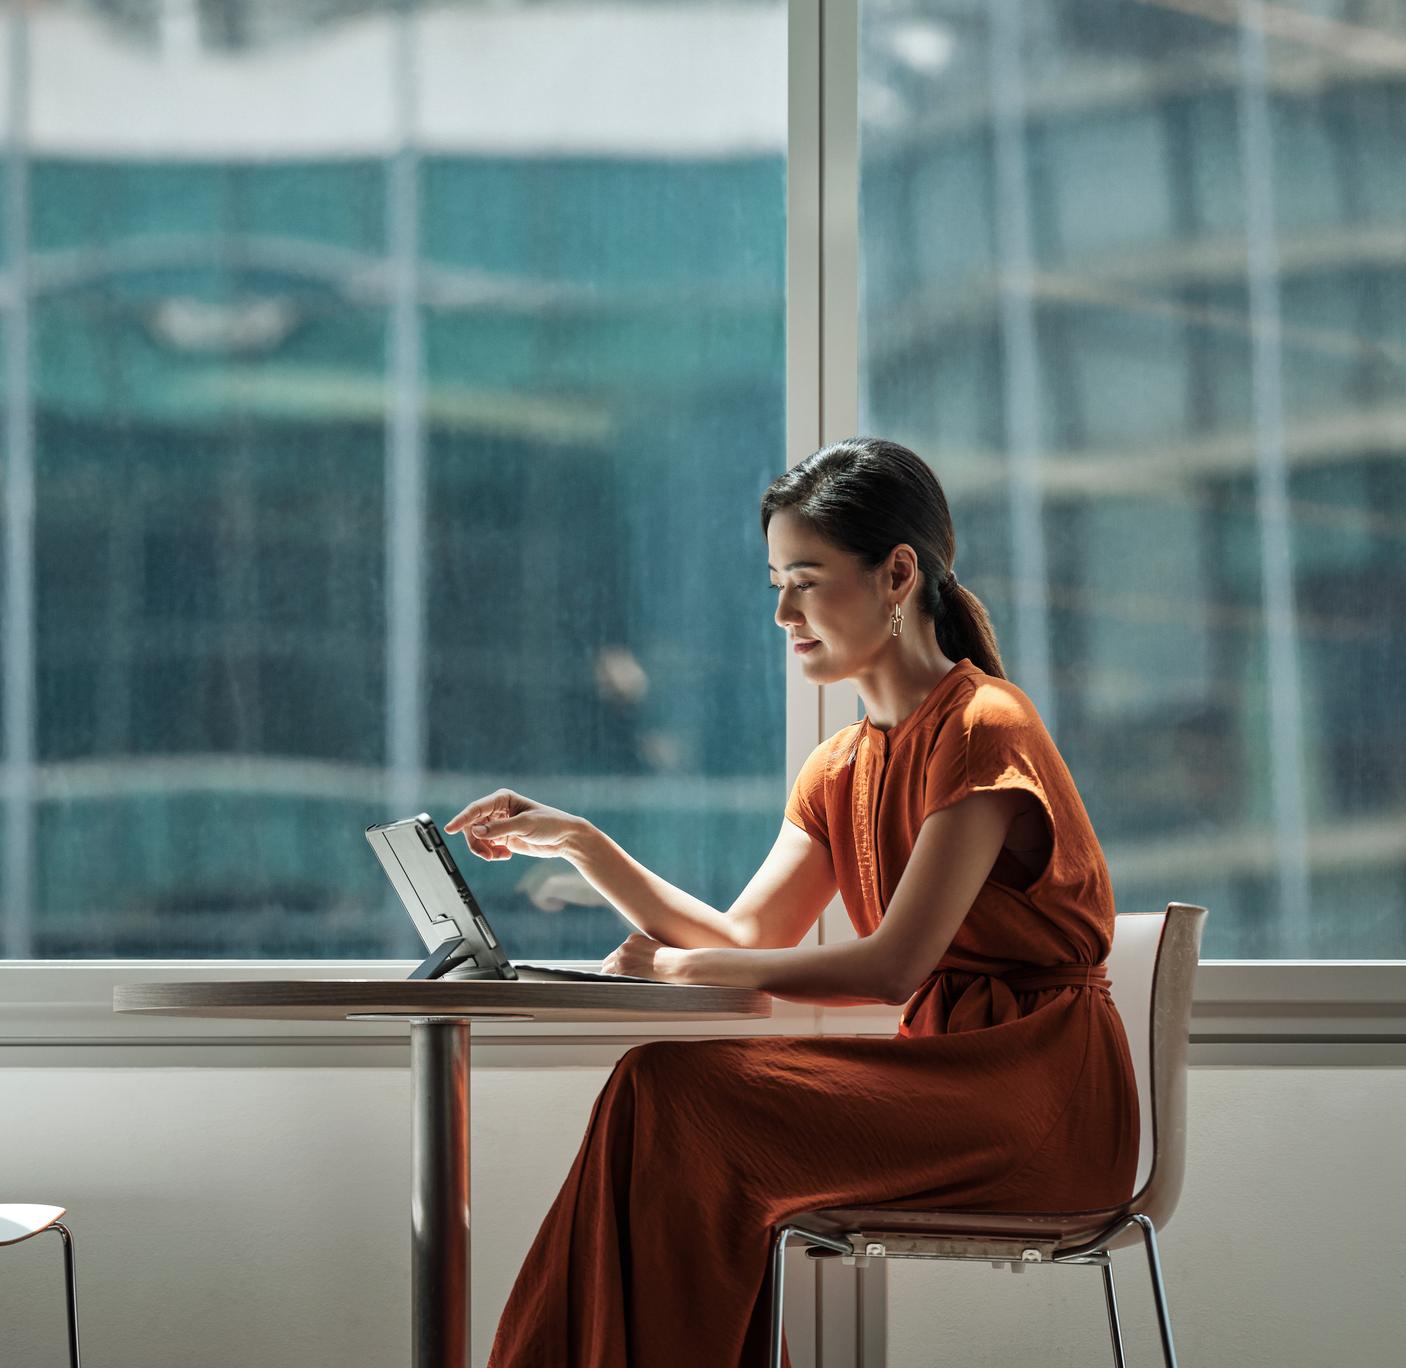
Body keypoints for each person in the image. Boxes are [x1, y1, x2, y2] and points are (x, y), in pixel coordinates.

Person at [448, 436, 1139, 1368]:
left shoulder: (984, 727)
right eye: (777, 581)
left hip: (1034, 1099)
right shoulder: (841, 765)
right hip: (947, 1079)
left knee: (671, 1091)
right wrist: (584, 842)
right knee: (657, 1094)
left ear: (898, 573)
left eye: (806, 580)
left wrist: (687, 965)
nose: (782, 611)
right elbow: (746, 935)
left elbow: (893, 964)